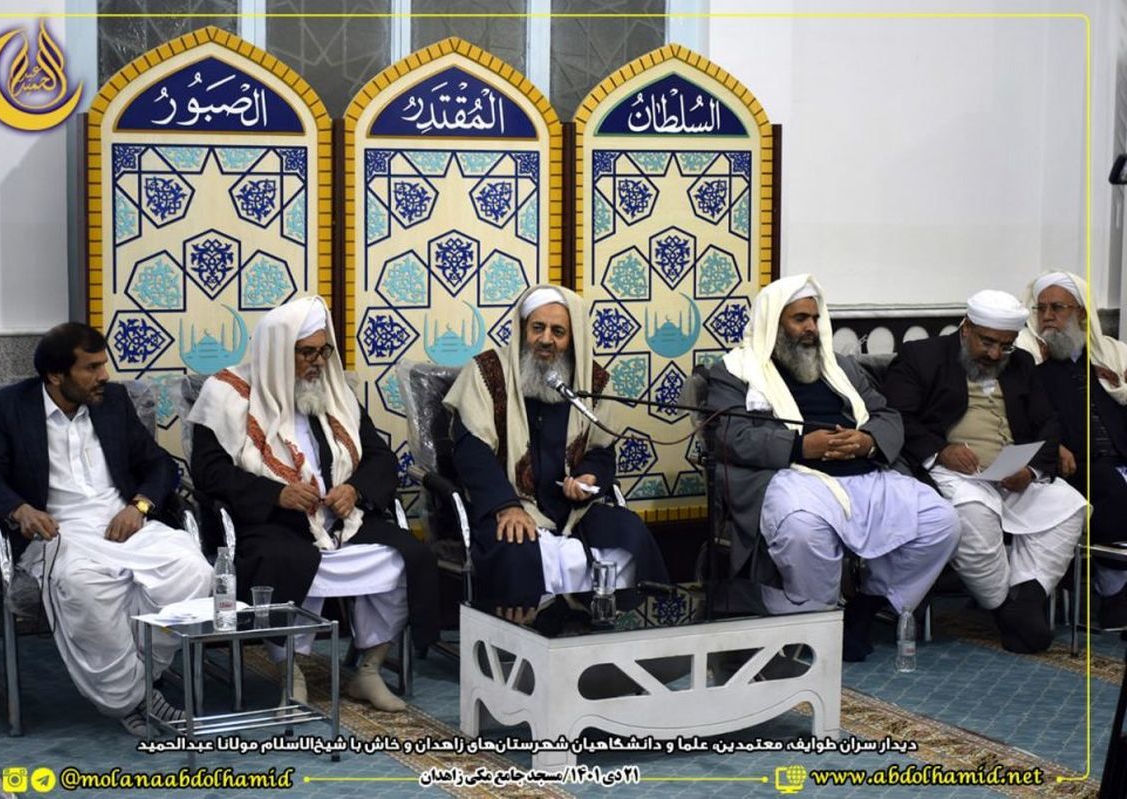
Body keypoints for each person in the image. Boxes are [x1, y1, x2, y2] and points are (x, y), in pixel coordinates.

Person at [189, 296, 438, 713]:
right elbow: (209, 472)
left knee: (407, 556)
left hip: (341, 520)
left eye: (324, 351)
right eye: (307, 352)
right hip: (273, 521)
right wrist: (276, 494)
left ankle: (369, 669)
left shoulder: (334, 392)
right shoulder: (227, 395)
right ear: (277, 352)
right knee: (286, 560)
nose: (318, 362)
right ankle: (292, 672)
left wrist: (354, 489)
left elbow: (379, 457)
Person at [0, 323, 213, 736]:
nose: (104, 376)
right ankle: (135, 700)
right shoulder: (8, 408)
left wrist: (139, 506)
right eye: (92, 367)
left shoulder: (113, 401)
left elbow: (159, 464)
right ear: (55, 375)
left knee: (194, 571)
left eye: (104, 365)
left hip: (124, 521)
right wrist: (20, 509)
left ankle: (134, 684)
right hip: (58, 532)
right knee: (82, 587)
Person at [704, 275, 960, 660]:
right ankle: (819, 622)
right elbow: (730, 435)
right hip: (793, 474)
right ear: (774, 322)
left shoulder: (840, 367)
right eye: (800, 319)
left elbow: (886, 414)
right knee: (803, 532)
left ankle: (868, 604)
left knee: (942, 523)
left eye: (815, 318)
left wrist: (867, 440)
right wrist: (800, 444)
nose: (811, 328)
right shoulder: (735, 371)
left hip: (864, 472)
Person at [883, 290, 1085, 653]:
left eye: (1005, 346)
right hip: (955, 473)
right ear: (966, 329)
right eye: (987, 343)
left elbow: (1048, 422)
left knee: (1070, 505)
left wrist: (1032, 470)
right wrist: (941, 450)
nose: (994, 355)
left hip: (1012, 474)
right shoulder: (922, 357)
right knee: (973, 514)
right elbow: (897, 417)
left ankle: (1026, 595)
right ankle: (1005, 607)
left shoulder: (1020, 362)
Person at [444, 285, 669, 604]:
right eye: (538, 328)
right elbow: (471, 451)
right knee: (514, 552)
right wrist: (505, 506)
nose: (546, 339)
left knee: (631, 535)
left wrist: (590, 476)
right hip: (508, 503)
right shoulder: (486, 373)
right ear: (524, 329)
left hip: (573, 510)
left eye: (558, 331)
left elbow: (601, 451)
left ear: (572, 337)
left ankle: (619, 626)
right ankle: (524, 635)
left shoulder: (593, 382)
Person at [1018, 271, 1127, 628]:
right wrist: (1056, 446)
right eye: (1041, 309)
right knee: (1109, 485)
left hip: (1118, 457)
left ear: (1081, 313)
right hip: (1073, 465)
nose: (1047, 316)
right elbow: (1022, 422)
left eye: (1057, 308)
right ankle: (1114, 592)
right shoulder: (1029, 364)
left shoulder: (1109, 358)